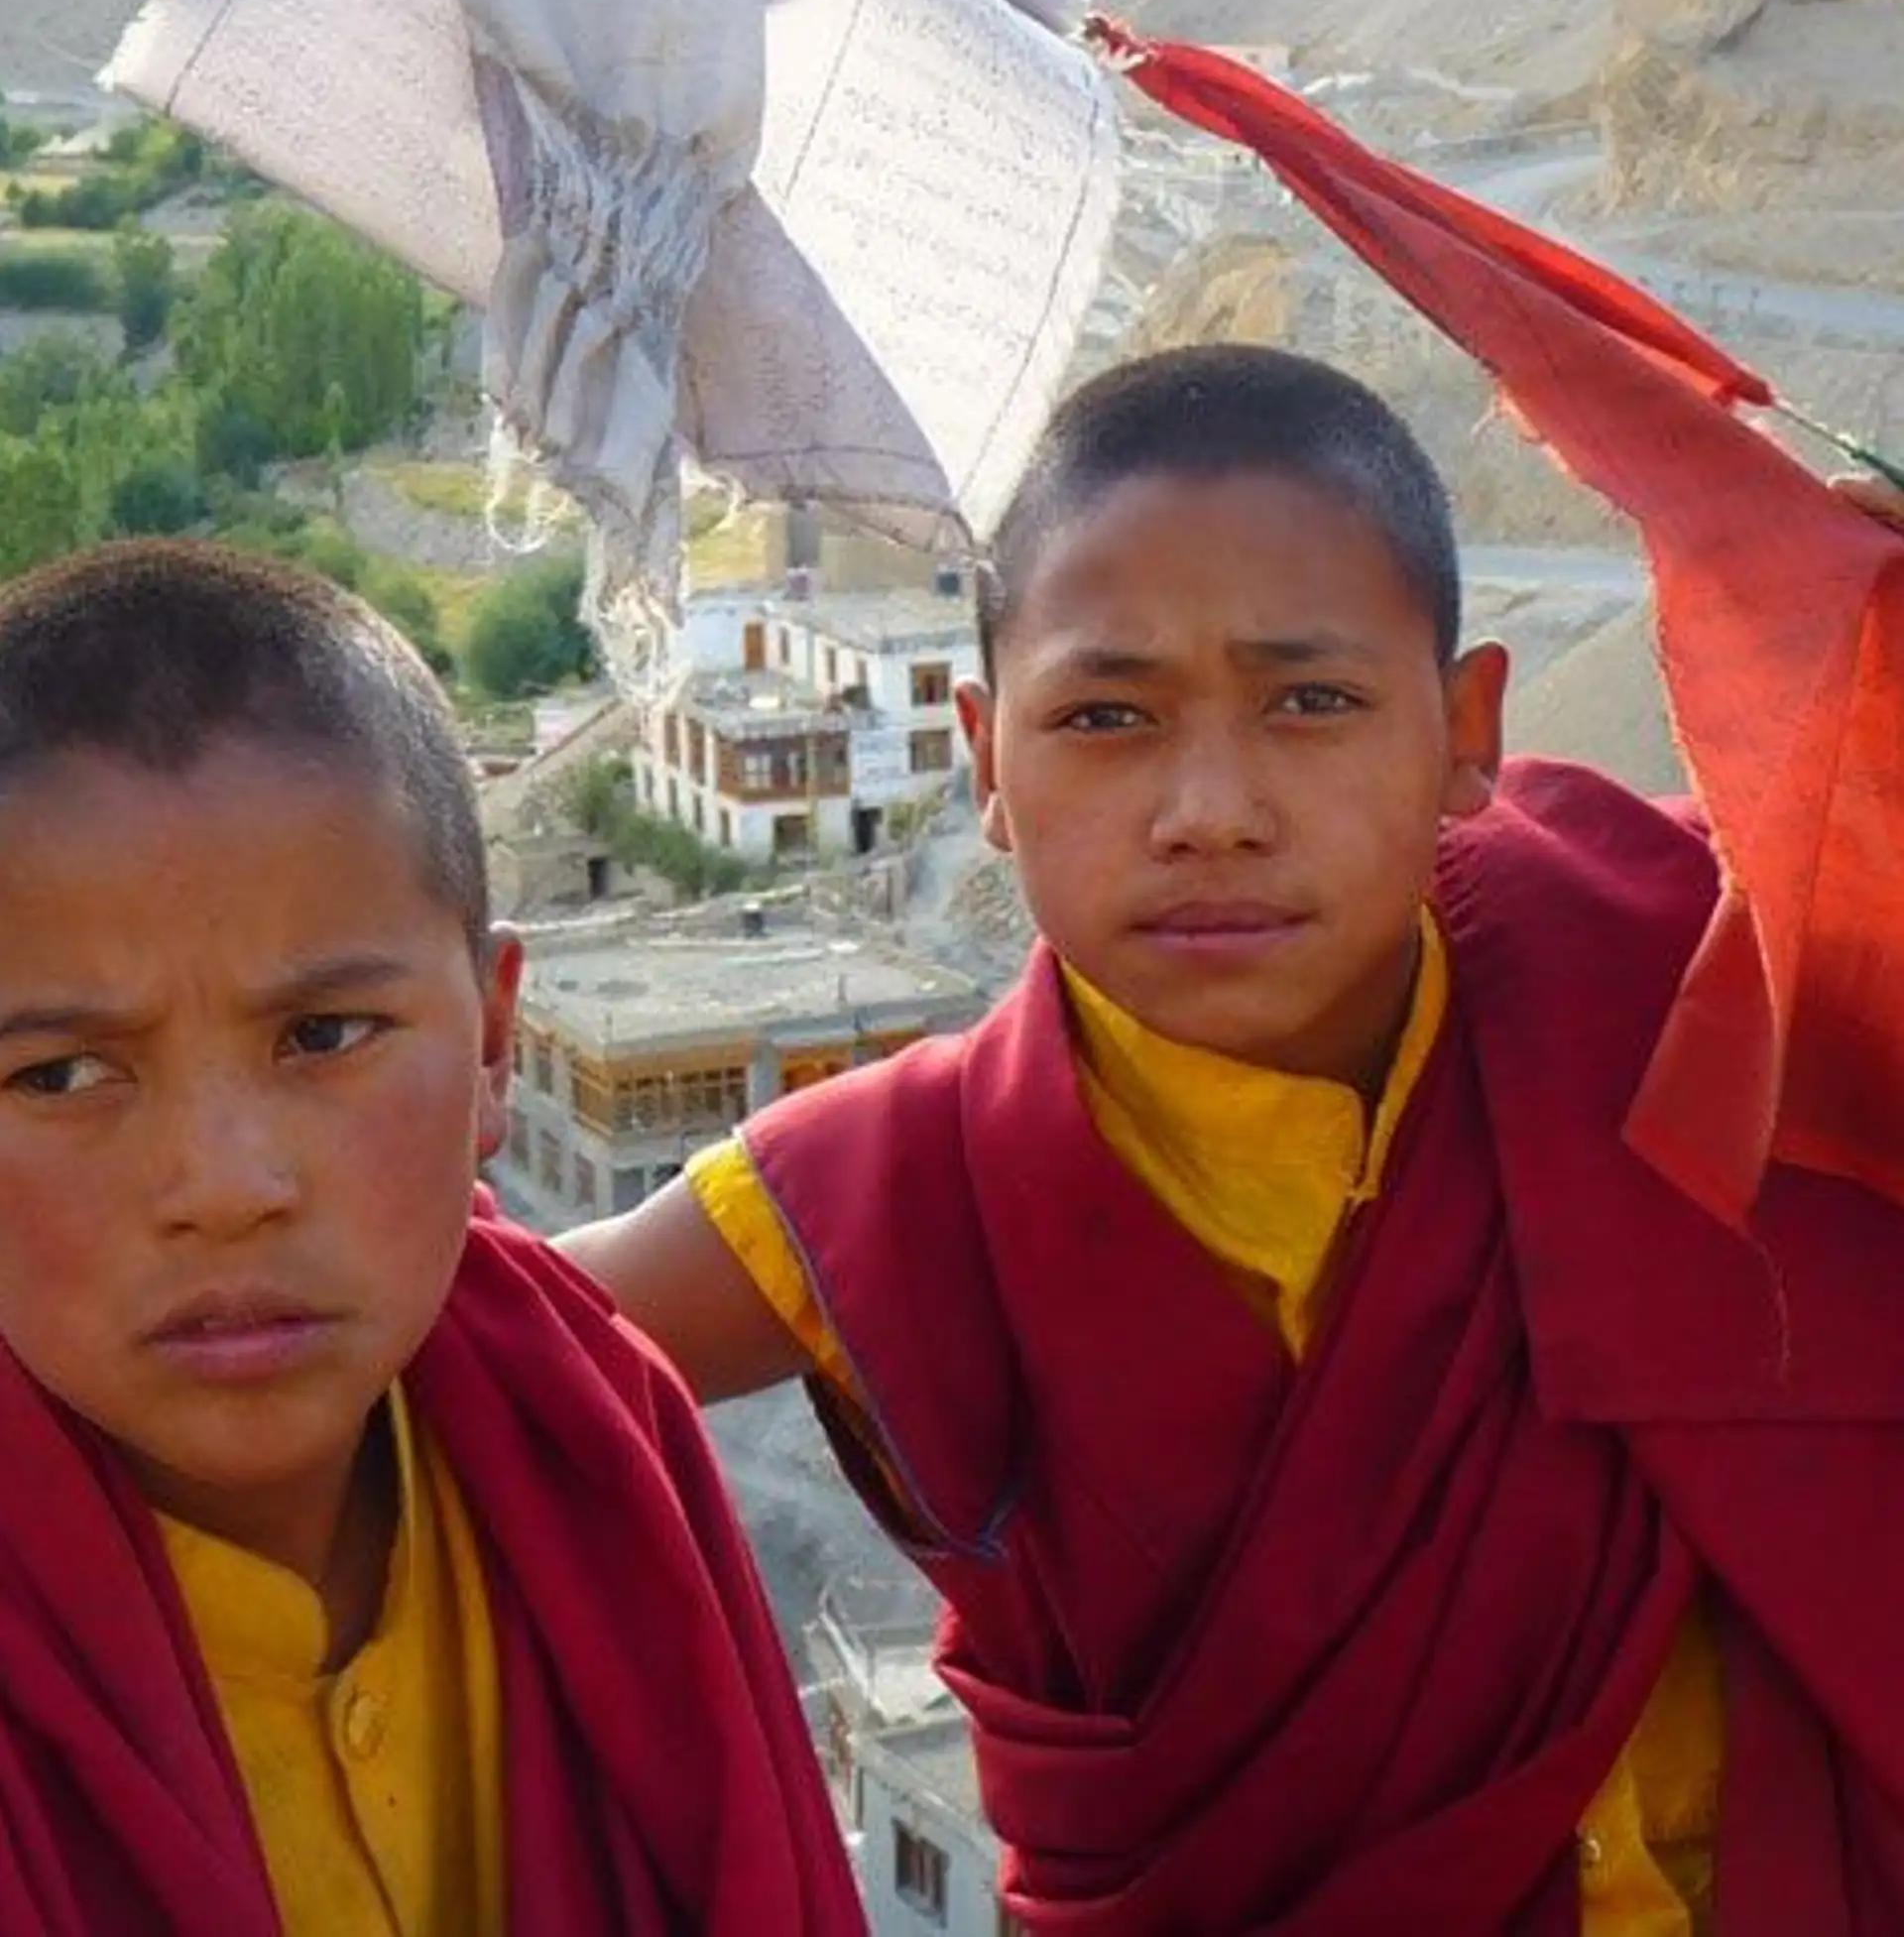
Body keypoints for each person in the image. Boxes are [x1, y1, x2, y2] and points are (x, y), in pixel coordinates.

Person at [565, 344, 1904, 1937]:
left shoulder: (1680, 966)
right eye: (1109, 714)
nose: (1210, 806)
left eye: (1312, 702)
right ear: (988, 759)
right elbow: (461, 1343)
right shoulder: (896, 1187)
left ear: (1466, 728)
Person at [0, 542, 865, 1937]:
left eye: (325, 1036)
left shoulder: (598, 1433)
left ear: (495, 1042)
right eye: (60, 1074)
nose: (225, 1185)